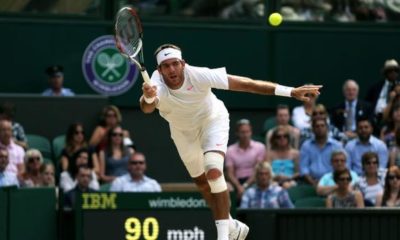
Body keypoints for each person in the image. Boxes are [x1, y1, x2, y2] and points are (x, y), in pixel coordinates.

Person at [140, 43, 321, 240]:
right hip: (182, 131)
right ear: (159, 70)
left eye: (175, 63)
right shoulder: (155, 84)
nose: (172, 69)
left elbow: (246, 84)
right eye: (166, 66)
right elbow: (147, 109)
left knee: (214, 170)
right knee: (203, 184)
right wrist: (148, 99)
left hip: (212, 121)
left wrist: (290, 91)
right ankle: (232, 224)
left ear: (183, 64)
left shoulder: (199, 75)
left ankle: (223, 237)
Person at [225, 119, 265, 200]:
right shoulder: (230, 150)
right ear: (237, 133)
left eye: (247, 132)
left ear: (251, 132)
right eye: (242, 132)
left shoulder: (260, 147)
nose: (245, 135)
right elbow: (230, 173)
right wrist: (238, 186)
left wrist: (245, 186)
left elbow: (257, 170)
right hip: (236, 182)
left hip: (254, 181)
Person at [300, 118, 343, 186]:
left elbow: (341, 166)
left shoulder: (336, 145)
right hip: (311, 182)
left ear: (327, 128)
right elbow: (304, 168)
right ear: (313, 129)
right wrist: (312, 182)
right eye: (317, 126)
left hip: (332, 181)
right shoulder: (306, 146)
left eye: (322, 126)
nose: (320, 128)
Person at [365, 59, 399, 125]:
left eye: (396, 70)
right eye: (390, 71)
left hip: (393, 121)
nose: (393, 73)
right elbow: (367, 103)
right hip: (375, 119)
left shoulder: (398, 87)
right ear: (385, 73)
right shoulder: (376, 87)